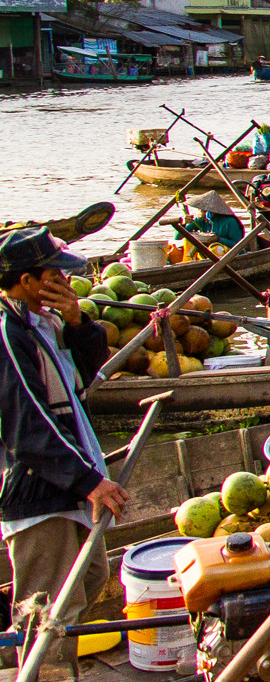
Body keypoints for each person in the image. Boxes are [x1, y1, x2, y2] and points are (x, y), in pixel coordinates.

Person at [0, 229, 120, 670]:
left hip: (68, 478)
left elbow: (85, 382)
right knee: (48, 616)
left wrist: (78, 322)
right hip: (40, 490)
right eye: (55, 277)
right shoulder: (9, 333)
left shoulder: (45, 325)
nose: (67, 284)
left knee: (92, 579)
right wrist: (89, 482)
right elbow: (27, 426)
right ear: (28, 282)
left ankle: (52, 668)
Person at [178, 192, 246, 251]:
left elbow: (239, 246)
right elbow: (178, 237)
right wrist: (183, 224)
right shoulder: (200, 220)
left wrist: (218, 239)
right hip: (206, 253)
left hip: (226, 253)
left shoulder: (229, 222)